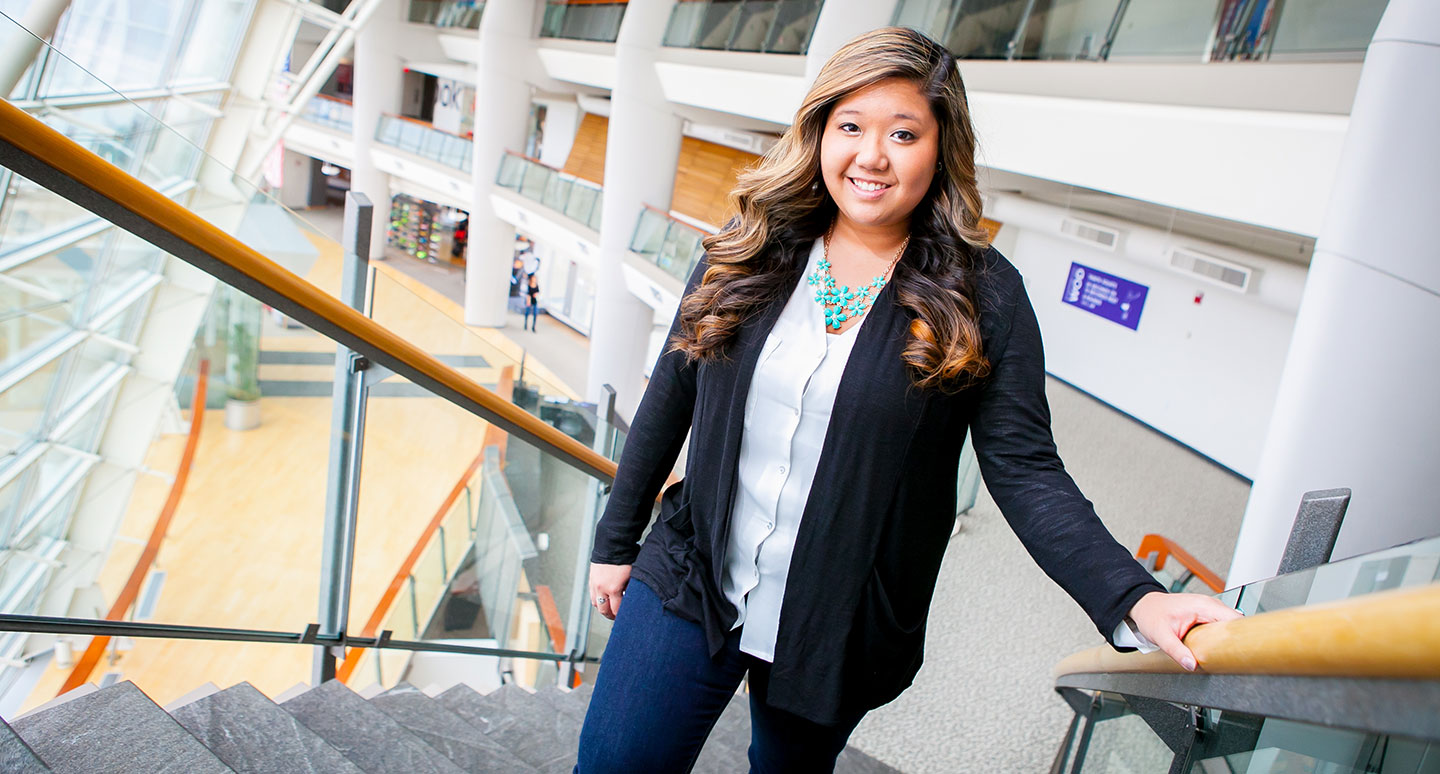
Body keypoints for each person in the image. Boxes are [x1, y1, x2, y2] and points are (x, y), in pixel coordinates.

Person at [576, 27, 1238, 774]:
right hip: (692, 570)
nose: (871, 156)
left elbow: (1025, 471)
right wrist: (614, 543)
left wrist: (1134, 598)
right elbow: (672, 393)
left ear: (940, 147)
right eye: (850, 126)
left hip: (841, 617)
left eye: (903, 132)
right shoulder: (750, 245)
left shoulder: (983, 296)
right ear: (820, 130)